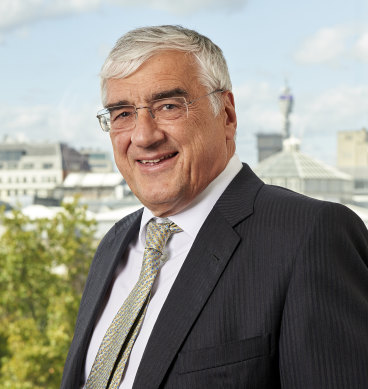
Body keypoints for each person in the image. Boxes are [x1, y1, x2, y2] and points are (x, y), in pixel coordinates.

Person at [61, 25, 368, 388]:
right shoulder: (115, 242)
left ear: (227, 115)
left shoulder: (310, 236)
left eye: (168, 106)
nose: (144, 136)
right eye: (123, 113)